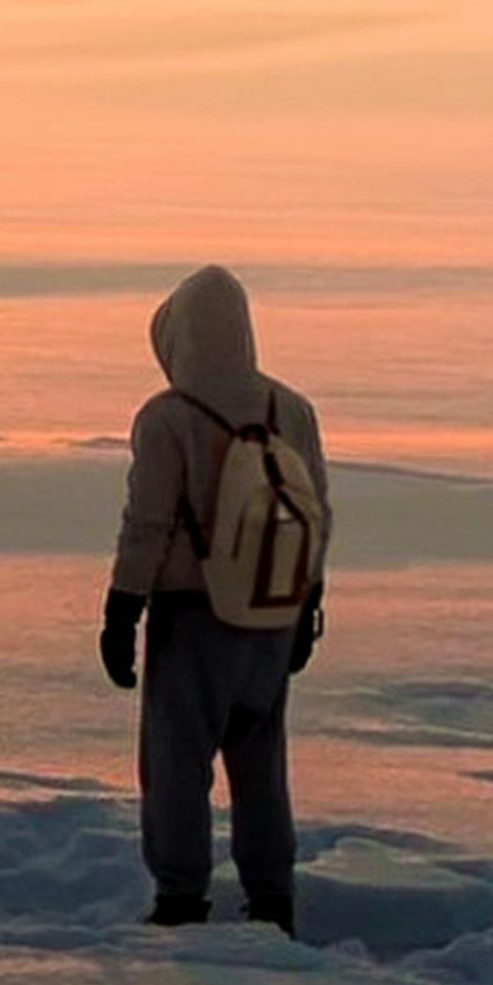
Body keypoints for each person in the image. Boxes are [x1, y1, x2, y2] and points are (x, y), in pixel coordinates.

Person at [99, 261, 329, 934]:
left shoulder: (167, 418)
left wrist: (122, 607)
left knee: (177, 764)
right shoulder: (292, 408)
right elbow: (316, 509)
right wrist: (309, 603)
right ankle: (273, 900)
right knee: (261, 767)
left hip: (193, 619)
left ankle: (180, 899)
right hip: (274, 611)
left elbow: (149, 523)